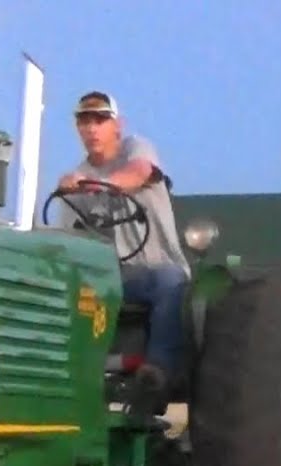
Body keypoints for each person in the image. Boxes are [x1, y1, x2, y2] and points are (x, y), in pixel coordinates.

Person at [55, 90, 191, 413]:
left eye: (101, 120)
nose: (92, 128)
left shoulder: (136, 149)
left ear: (118, 125)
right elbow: (69, 239)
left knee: (170, 281)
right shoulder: (75, 179)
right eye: (85, 121)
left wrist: (97, 185)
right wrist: (70, 191)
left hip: (153, 268)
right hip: (111, 277)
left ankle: (157, 370)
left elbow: (140, 172)